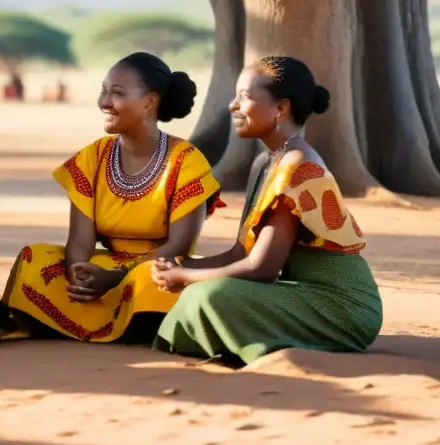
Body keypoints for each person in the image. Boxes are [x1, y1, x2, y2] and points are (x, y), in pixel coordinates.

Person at [153, 56, 383, 366]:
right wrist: (186, 265)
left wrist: (188, 276)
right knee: (198, 291)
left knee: (209, 294)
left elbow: (262, 269)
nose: (233, 106)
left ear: (281, 109)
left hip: (341, 307)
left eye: (245, 96)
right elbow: (240, 253)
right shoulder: (265, 163)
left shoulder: (297, 166)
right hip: (301, 292)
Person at [2, 53, 222, 343]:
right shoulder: (93, 156)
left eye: (117, 93)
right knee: (35, 259)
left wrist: (115, 280)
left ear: (149, 102)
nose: (105, 102)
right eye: (104, 91)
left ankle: (85, 324)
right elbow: (79, 240)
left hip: (157, 268)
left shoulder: (187, 161)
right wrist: (80, 274)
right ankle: (106, 321)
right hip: (104, 267)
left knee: (150, 279)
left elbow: (178, 246)